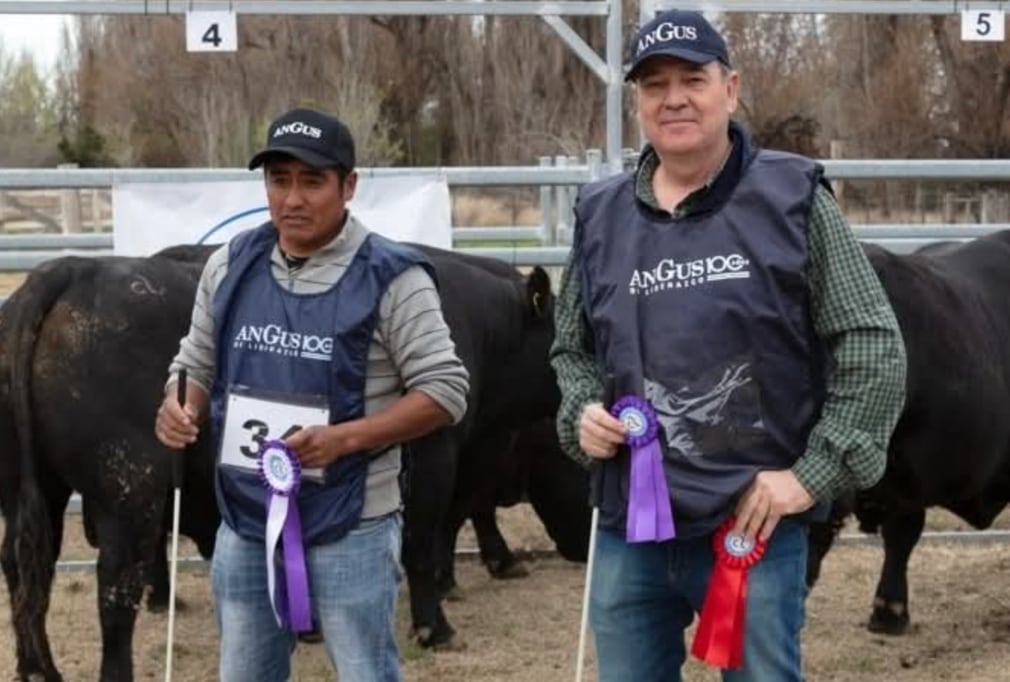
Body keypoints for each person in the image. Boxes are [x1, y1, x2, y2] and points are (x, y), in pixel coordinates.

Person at [551, 10, 907, 682]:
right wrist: (581, 413)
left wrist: (813, 474)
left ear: (731, 89)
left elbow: (872, 344)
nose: (674, 99)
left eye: (693, 79)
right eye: (654, 85)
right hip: (630, 526)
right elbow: (573, 349)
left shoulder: (793, 199)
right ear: (636, 102)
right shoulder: (599, 216)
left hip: (753, 526)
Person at [154, 107, 469, 682]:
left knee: (365, 673)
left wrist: (345, 439)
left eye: (312, 181)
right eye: (279, 180)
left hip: (354, 525)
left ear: (348, 186)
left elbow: (446, 390)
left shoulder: (395, 277)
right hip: (246, 520)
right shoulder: (229, 265)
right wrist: (181, 405)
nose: (292, 199)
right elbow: (194, 362)